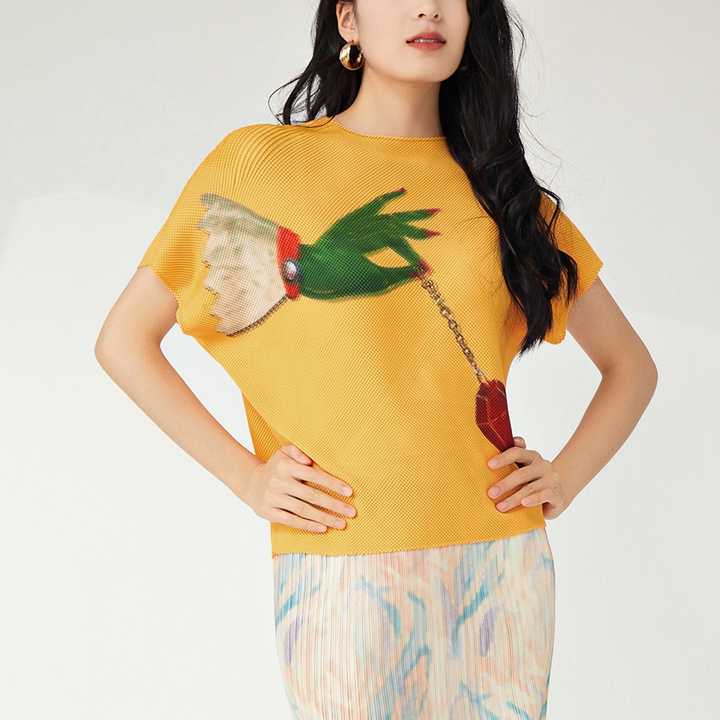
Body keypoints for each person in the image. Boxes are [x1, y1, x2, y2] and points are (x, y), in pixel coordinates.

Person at [95, 1, 657, 717]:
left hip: (501, 566)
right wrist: (248, 477)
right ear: (349, 20)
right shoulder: (260, 163)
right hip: (343, 562)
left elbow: (631, 367)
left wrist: (563, 478)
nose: (428, 7)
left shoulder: (502, 193)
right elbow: (124, 340)